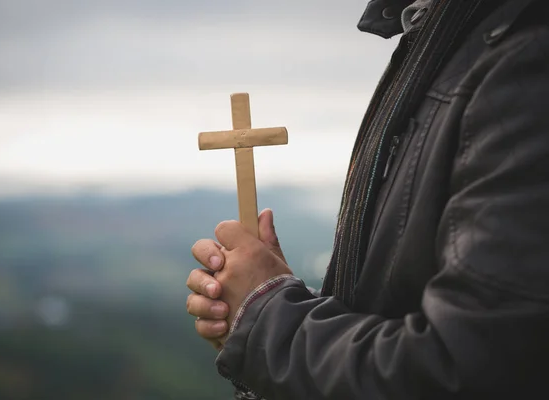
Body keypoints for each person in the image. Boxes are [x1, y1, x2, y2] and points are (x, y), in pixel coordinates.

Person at [186, 0, 549, 398]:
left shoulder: (521, 55)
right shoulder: (439, 38)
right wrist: (279, 300)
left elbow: (467, 369)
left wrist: (270, 321)